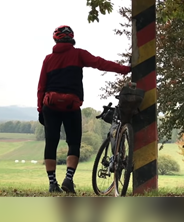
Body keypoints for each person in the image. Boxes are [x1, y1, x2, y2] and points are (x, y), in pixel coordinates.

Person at [37, 25, 131, 194]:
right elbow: (100, 63)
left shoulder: (48, 59)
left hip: (50, 107)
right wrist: (125, 69)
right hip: (71, 106)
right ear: (71, 38)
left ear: (55, 39)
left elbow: (41, 87)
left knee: (51, 143)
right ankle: (69, 178)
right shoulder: (78, 54)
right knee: (74, 143)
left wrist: (39, 109)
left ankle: (52, 184)